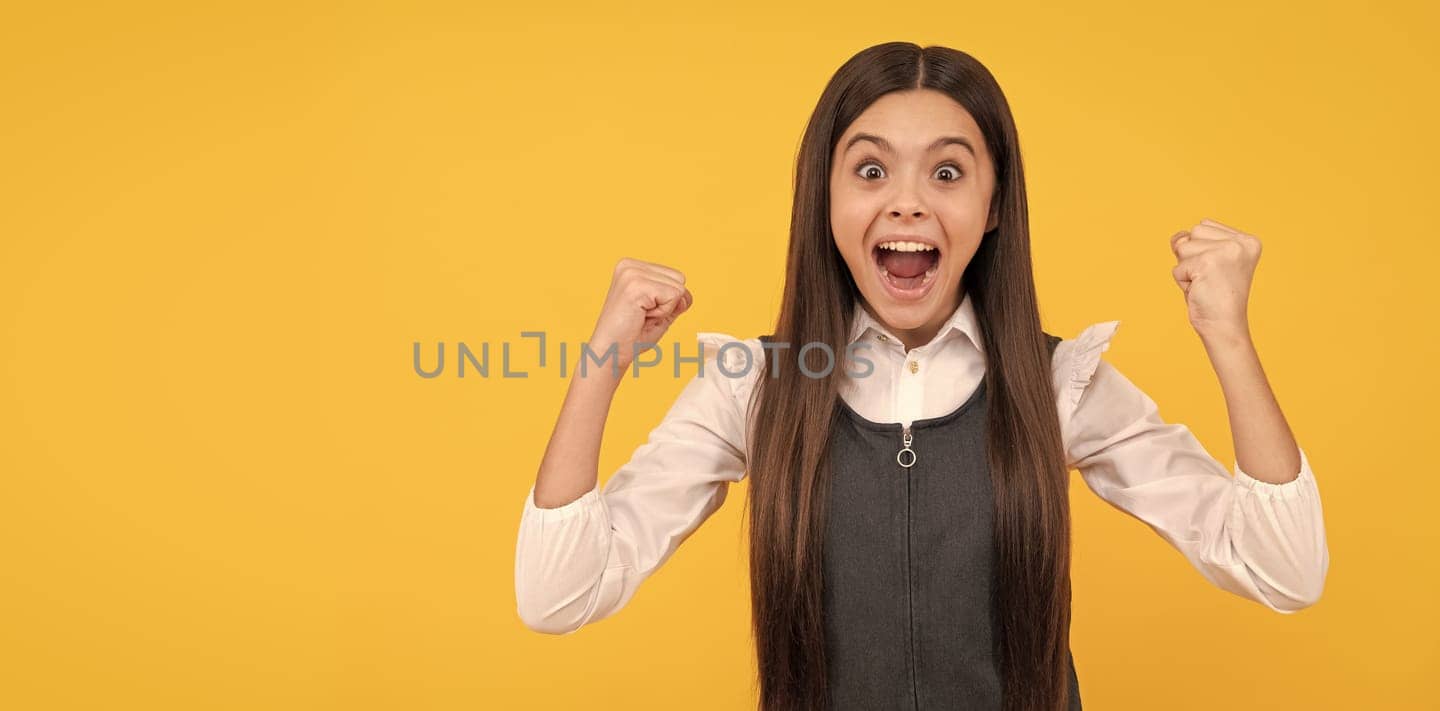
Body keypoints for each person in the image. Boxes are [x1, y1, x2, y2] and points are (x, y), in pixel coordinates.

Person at [514, 41, 1327, 711]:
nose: (907, 204)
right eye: (870, 171)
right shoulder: (755, 387)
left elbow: (1281, 567)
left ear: (995, 203)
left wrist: (1228, 338)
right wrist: (602, 365)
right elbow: (558, 595)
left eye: (947, 172)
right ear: (823, 199)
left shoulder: (1058, 384)